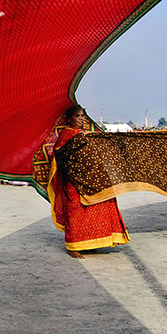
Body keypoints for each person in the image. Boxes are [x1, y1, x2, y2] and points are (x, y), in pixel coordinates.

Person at [35, 105, 129, 258]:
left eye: (83, 116)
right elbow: (61, 156)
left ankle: (92, 242)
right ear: (70, 118)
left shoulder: (85, 134)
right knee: (76, 211)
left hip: (90, 179)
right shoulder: (66, 134)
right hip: (74, 181)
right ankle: (73, 246)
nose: (81, 119)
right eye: (77, 116)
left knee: (100, 204)